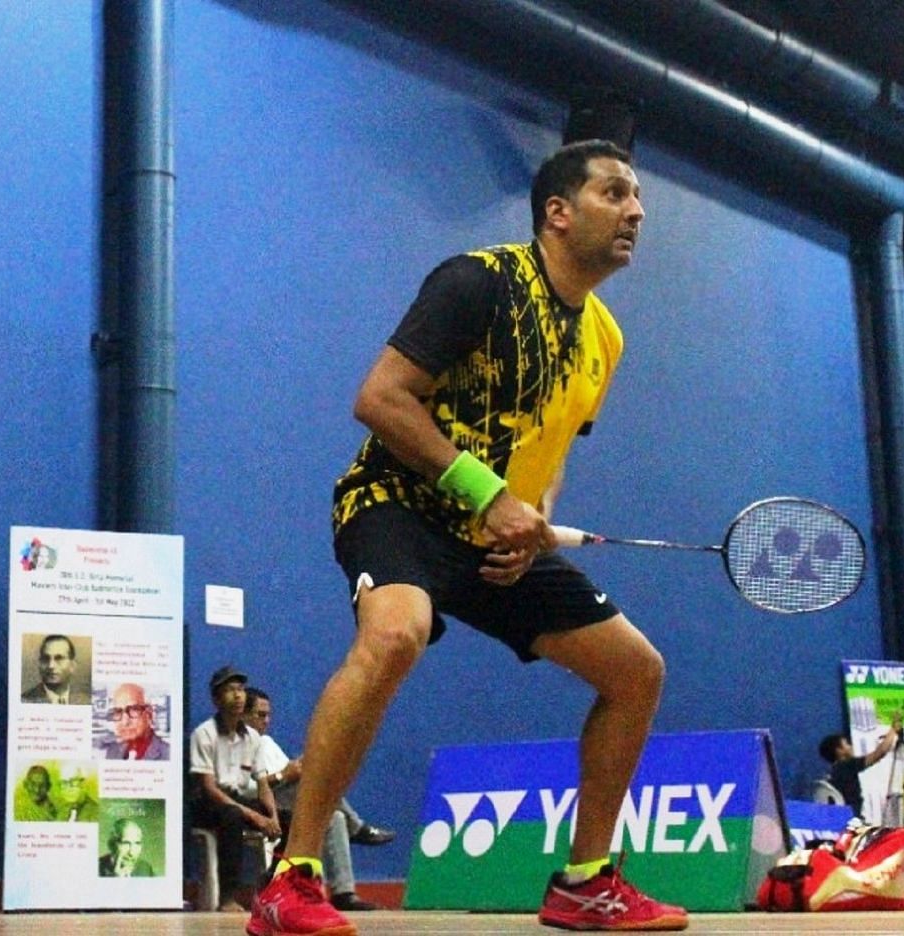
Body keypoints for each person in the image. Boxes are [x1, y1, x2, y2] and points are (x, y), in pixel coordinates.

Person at [250, 139, 688, 935]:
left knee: (636, 671)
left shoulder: (605, 339)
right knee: (395, 637)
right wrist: (488, 494)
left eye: (637, 198)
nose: (636, 211)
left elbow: (547, 446)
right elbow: (380, 398)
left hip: (497, 540)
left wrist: (536, 520)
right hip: (398, 504)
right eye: (615, 193)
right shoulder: (477, 283)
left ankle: (587, 882)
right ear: (558, 212)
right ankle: (294, 876)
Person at [243, 687, 385, 912]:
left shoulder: (267, 743)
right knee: (318, 783)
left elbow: (288, 771)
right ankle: (357, 827)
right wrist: (283, 776)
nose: (266, 721)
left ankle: (343, 893)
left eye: (268, 715)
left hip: (286, 799)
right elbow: (243, 789)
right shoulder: (239, 744)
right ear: (244, 715)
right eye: (260, 715)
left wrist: (299, 768)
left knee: (335, 817)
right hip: (261, 805)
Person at [189, 666, 279, 912]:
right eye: (230, 690)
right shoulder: (203, 734)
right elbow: (209, 788)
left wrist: (272, 816)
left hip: (238, 800)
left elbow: (263, 786)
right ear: (217, 699)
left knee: (291, 819)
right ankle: (228, 897)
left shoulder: (252, 737)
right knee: (233, 815)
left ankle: (274, 887)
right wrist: (254, 816)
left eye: (240, 690)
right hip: (209, 803)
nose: (238, 696)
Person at [817, 711, 903, 820]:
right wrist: (894, 729)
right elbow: (880, 752)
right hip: (852, 819)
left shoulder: (833, 771)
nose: (851, 747)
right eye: (847, 744)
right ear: (839, 750)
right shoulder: (847, 766)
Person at [98, 683, 170, 760]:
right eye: (118, 712)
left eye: (133, 710)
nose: (125, 722)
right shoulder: (112, 751)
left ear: (149, 714)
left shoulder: (168, 754)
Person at [22, 634, 90, 704]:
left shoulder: (86, 701)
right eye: (46, 659)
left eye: (59, 658)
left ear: (72, 666)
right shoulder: (25, 700)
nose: (51, 666)